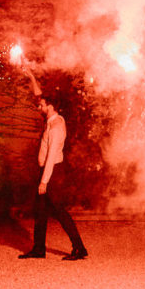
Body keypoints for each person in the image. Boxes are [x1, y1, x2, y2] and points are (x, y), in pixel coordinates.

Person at [18, 75, 89, 261]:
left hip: (53, 174)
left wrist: (44, 181)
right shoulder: (52, 119)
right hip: (48, 173)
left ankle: (79, 248)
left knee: (59, 211)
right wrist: (31, 75)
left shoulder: (56, 127)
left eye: (41, 105)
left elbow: (50, 158)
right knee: (40, 212)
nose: (38, 107)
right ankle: (38, 249)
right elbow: (38, 93)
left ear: (49, 106)